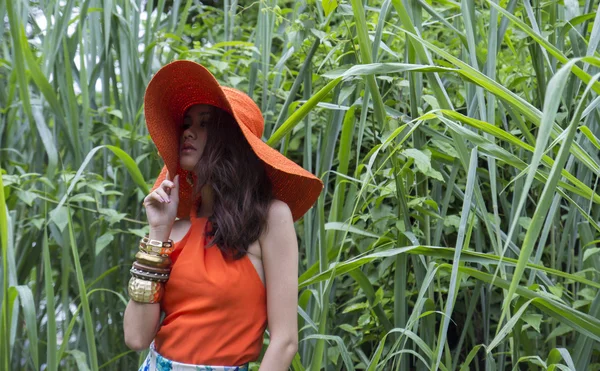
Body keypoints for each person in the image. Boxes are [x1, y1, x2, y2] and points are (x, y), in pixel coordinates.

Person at [122, 60, 323, 371]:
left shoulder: (268, 219)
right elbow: (136, 337)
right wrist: (158, 232)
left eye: (205, 124)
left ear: (232, 141)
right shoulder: (173, 230)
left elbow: (284, 341)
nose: (188, 131)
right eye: (187, 123)